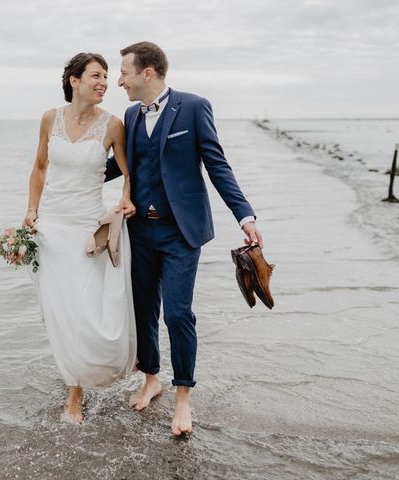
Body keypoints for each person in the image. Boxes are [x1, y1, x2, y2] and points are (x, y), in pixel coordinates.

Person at [105, 41, 263, 436]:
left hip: (181, 232)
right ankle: (151, 378)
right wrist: (64, 167)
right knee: (143, 310)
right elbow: (118, 166)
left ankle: (183, 397)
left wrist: (244, 214)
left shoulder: (194, 107)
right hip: (139, 230)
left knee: (177, 313)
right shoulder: (129, 113)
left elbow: (217, 164)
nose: (118, 80)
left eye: (123, 71)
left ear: (147, 73)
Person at [23, 53, 138, 424]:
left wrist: (125, 198)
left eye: (106, 76)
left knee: (85, 311)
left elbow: (128, 171)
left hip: (88, 230)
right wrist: (31, 212)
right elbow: (40, 167)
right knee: (60, 312)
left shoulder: (113, 125)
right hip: (52, 228)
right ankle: (74, 381)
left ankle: (76, 392)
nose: (104, 82)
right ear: (74, 80)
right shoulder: (49, 118)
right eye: (96, 76)